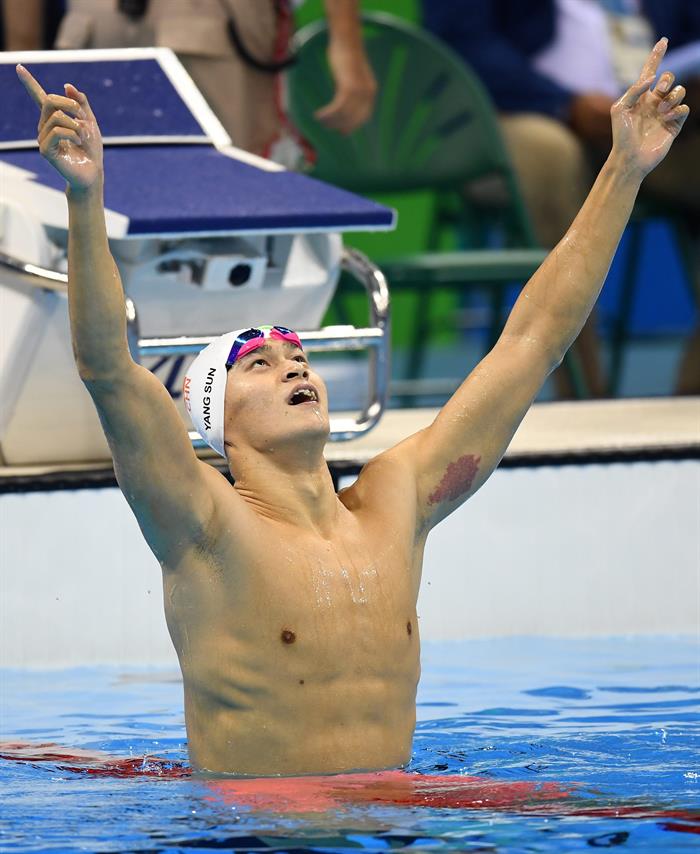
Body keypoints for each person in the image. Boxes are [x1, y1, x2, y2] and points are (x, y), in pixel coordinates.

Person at [16, 38, 689, 776]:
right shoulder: (203, 525)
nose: (293, 365)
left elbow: (531, 342)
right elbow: (109, 368)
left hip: (388, 813)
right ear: (218, 423)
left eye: (298, 356)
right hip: (255, 825)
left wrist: (623, 169)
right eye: (260, 365)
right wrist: (86, 198)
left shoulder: (395, 504)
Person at [422, 0, 700, 397]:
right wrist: (564, 104)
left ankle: (693, 393)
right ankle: (584, 397)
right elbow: (464, 41)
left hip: (649, 116)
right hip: (518, 112)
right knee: (551, 154)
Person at [54, 0, 377, 164]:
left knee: (232, 182)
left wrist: (347, 42)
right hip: (98, 18)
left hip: (212, 20)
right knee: (96, 186)